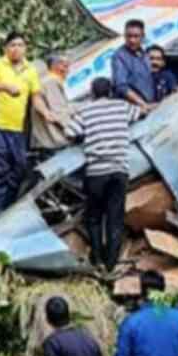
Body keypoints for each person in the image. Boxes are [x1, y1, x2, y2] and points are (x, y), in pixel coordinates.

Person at [70, 78, 142, 270]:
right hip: (119, 170)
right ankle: (111, 263)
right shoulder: (122, 107)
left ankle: (97, 258)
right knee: (115, 217)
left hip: (96, 172)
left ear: (92, 93)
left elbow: (71, 131)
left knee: (93, 217)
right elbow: (139, 113)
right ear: (110, 92)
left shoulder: (85, 111)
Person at [0, 33, 42, 218]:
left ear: (25, 48)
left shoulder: (31, 70)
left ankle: (8, 205)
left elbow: (36, 97)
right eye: (12, 45)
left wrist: (49, 114)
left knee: (21, 167)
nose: (16, 49)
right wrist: (3, 87)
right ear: (6, 48)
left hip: (18, 129)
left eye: (20, 45)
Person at [30, 53, 75, 153]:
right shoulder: (50, 82)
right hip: (59, 141)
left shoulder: (33, 88)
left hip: (45, 144)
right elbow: (59, 113)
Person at [111, 20, 156, 110]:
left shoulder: (145, 53)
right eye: (129, 36)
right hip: (137, 109)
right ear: (124, 36)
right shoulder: (119, 56)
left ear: (143, 36)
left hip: (153, 104)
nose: (132, 40)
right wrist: (143, 104)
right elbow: (121, 86)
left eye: (136, 36)